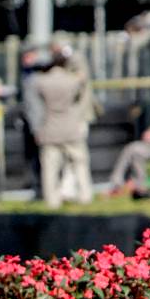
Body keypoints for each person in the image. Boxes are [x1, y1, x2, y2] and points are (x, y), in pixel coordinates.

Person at [28, 48, 92, 208]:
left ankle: (52, 200)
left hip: (49, 128)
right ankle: (85, 196)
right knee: (80, 164)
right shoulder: (73, 80)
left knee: (50, 169)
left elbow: (35, 108)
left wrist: (37, 129)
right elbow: (82, 93)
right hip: (72, 127)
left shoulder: (40, 82)